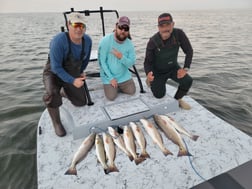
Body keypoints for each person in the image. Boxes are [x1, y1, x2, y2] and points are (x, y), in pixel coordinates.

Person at [42, 12, 92, 137]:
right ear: (68, 25)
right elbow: (56, 67)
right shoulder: (58, 41)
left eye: (82, 25)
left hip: (71, 70)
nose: (79, 29)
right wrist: (73, 80)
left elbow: (84, 60)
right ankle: (57, 123)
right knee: (52, 94)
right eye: (75, 24)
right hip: (53, 71)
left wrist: (81, 72)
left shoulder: (87, 41)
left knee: (81, 102)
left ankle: (63, 92)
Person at [144, 13, 193, 110]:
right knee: (159, 95)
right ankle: (149, 81)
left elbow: (189, 51)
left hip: (173, 68)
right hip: (158, 71)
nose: (165, 28)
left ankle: (177, 100)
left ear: (173, 24)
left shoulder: (179, 34)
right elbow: (147, 62)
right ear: (158, 27)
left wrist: (185, 68)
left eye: (168, 25)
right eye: (162, 26)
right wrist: (148, 73)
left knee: (188, 81)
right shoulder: (153, 41)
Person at [98, 16, 136, 101]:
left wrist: (121, 57)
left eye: (126, 28)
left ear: (128, 30)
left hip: (123, 76)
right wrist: (111, 78)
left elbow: (131, 63)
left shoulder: (129, 43)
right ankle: (112, 87)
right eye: (120, 27)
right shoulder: (105, 41)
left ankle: (117, 87)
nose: (123, 31)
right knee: (111, 97)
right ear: (116, 26)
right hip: (109, 77)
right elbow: (101, 62)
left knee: (132, 91)